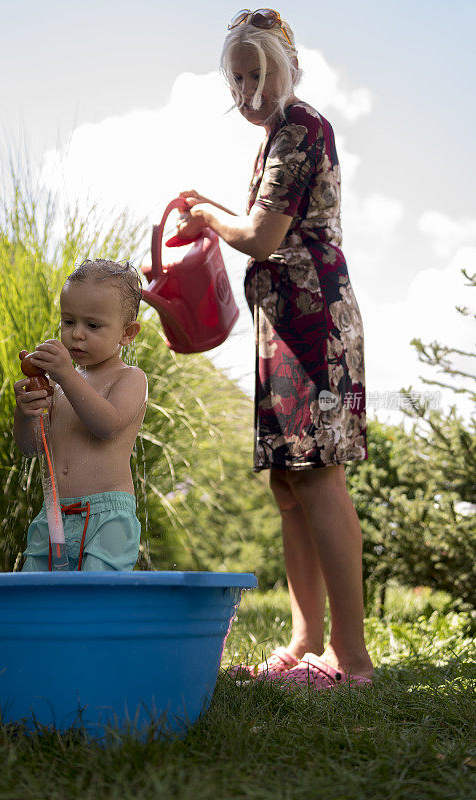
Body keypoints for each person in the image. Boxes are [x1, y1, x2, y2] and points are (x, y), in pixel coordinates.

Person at [176, 9, 373, 688]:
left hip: (310, 319)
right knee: (289, 482)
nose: (246, 91)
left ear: (285, 70)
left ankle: (351, 663)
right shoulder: (278, 138)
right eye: (236, 78)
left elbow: (260, 236)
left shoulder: (299, 128)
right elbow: (260, 227)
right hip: (283, 321)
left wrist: (208, 215)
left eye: (257, 74)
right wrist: (210, 205)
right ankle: (306, 640)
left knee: (317, 475)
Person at [13, 258, 147, 572]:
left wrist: (66, 376)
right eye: (69, 322)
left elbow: (107, 425)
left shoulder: (129, 378)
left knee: (97, 596)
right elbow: (31, 446)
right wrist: (25, 413)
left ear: (127, 333)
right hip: (54, 513)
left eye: (93, 325)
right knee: (36, 595)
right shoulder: (59, 387)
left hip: (106, 516)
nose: (77, 335)